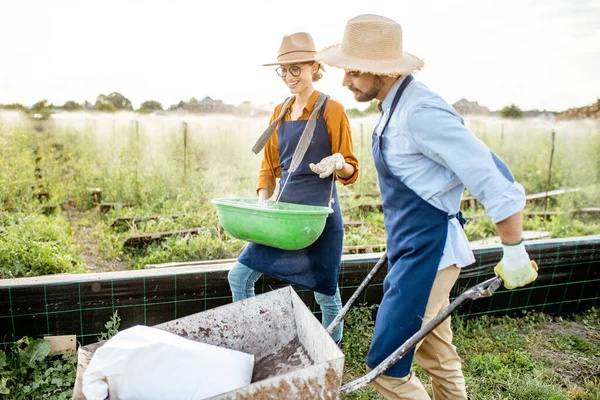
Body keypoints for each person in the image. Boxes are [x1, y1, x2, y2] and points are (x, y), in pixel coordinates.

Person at [317, 14, 538, 399]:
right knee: (437, 353)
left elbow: (492, 177)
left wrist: (514, 249)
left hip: (430, 254)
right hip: (412, 246)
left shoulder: (420, 112)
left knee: (386, 366)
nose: (345, 81)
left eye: (353, 70)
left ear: (380, 71)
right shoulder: (393, 107)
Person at [227, 32, 359, 345]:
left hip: (318, 219)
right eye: (284, 70)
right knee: (239, 276)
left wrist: (339, 162)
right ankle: (254, 341)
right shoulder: (280, 111)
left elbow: (351, 171)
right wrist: (262, 201)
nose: (289, 76)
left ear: (314, 67)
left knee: (326, 295)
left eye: (296, 69)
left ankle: (330, 352)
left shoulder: (332, 110)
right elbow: (269, 167)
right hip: (284, 219)